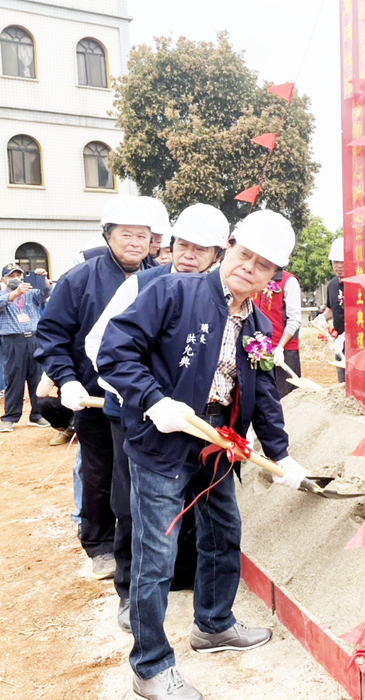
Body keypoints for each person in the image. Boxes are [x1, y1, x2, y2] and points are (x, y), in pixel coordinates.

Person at [96, 209, 312, 700]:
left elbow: (263, 394)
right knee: (158, 554)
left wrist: (281, 455)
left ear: (273, 275)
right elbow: (115, 351)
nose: (248, 268)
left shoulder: (257, 321)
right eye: (244, 255)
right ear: (228, 248)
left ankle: (213, 626)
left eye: (262, 265)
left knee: (223, 532)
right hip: (164, 438)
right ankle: (150, 665)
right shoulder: (174, 291)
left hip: (221, 442)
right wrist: (154, 401)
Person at [86, 203, 229, 633]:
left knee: (192, 510)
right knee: (134, 508)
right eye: (182, 245)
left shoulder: (219, 296)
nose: (188, 255)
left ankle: (185, 587)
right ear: (168, 244)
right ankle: (131, 594)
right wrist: (146, 400)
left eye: (201, 250)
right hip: (137, 415)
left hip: (195, 423)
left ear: (217, 256)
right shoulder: (143, 285)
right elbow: (100, 346)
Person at [35, 194, 154, 580]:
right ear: (107, 235)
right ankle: (100, 544)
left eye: (143, 235)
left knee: (139, 474)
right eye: (126, 235)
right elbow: (51, 335)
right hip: (93, 396)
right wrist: (66, 379)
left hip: (143, 398)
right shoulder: (79, 280)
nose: (135, 243)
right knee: (100, 471)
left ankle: (141, 544)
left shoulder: (158, 279)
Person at [0, 263, 51, 431]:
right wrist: (15, 293)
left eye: (19, 275)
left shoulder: (30, 294)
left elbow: (46, 293)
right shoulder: (3, 295)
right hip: (13, 341)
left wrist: (43, 280)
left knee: (36, 377)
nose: (16, 279)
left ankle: (37, 414)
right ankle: (10, 417)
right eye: (12, 276)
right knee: (14, 379)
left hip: (34, 339)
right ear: (4, 279)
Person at [254, 266, 302, 398]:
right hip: (259, 351)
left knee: (284, 398)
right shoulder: (256, 278)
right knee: (262, 397)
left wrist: (280, 347)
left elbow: (294, 320)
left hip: (283, 352)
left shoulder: (289, 281)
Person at [316, 237, 345, 382]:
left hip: (358, 342)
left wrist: (346, 336)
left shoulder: (358, 284)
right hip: (339, 342)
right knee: (342, 381)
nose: (338, 266)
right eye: (335, 262)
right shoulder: (332, 285)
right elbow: (332, 309)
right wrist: (323, 317)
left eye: (342, 262)